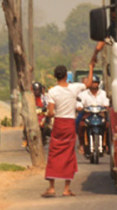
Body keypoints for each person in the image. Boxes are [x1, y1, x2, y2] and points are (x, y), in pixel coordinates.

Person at [42, 43, 103, 198]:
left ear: (56, 76)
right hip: (69, 124)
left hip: (58, 125)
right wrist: (90, 67)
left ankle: (51, 187)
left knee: (54, 154)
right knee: (69, 155)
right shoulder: (74, 88)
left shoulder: (52, 91)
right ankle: (66, 189)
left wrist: (48, 116)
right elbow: (89, 84)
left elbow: (50, 112)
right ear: (66, 76)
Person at [77, 74, 110, 154]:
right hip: (87, 114)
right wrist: (79, 107)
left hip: (100, 114)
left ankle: (107, 144)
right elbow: (79, 103)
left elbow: (106, 103)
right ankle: (81, 144)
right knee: (79, 124)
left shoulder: (103, 93)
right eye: (92, 82)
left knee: (109, 125)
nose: (94, 84)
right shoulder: (83, 94)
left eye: (95, 82)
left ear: (98, 84)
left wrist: (106, 107)